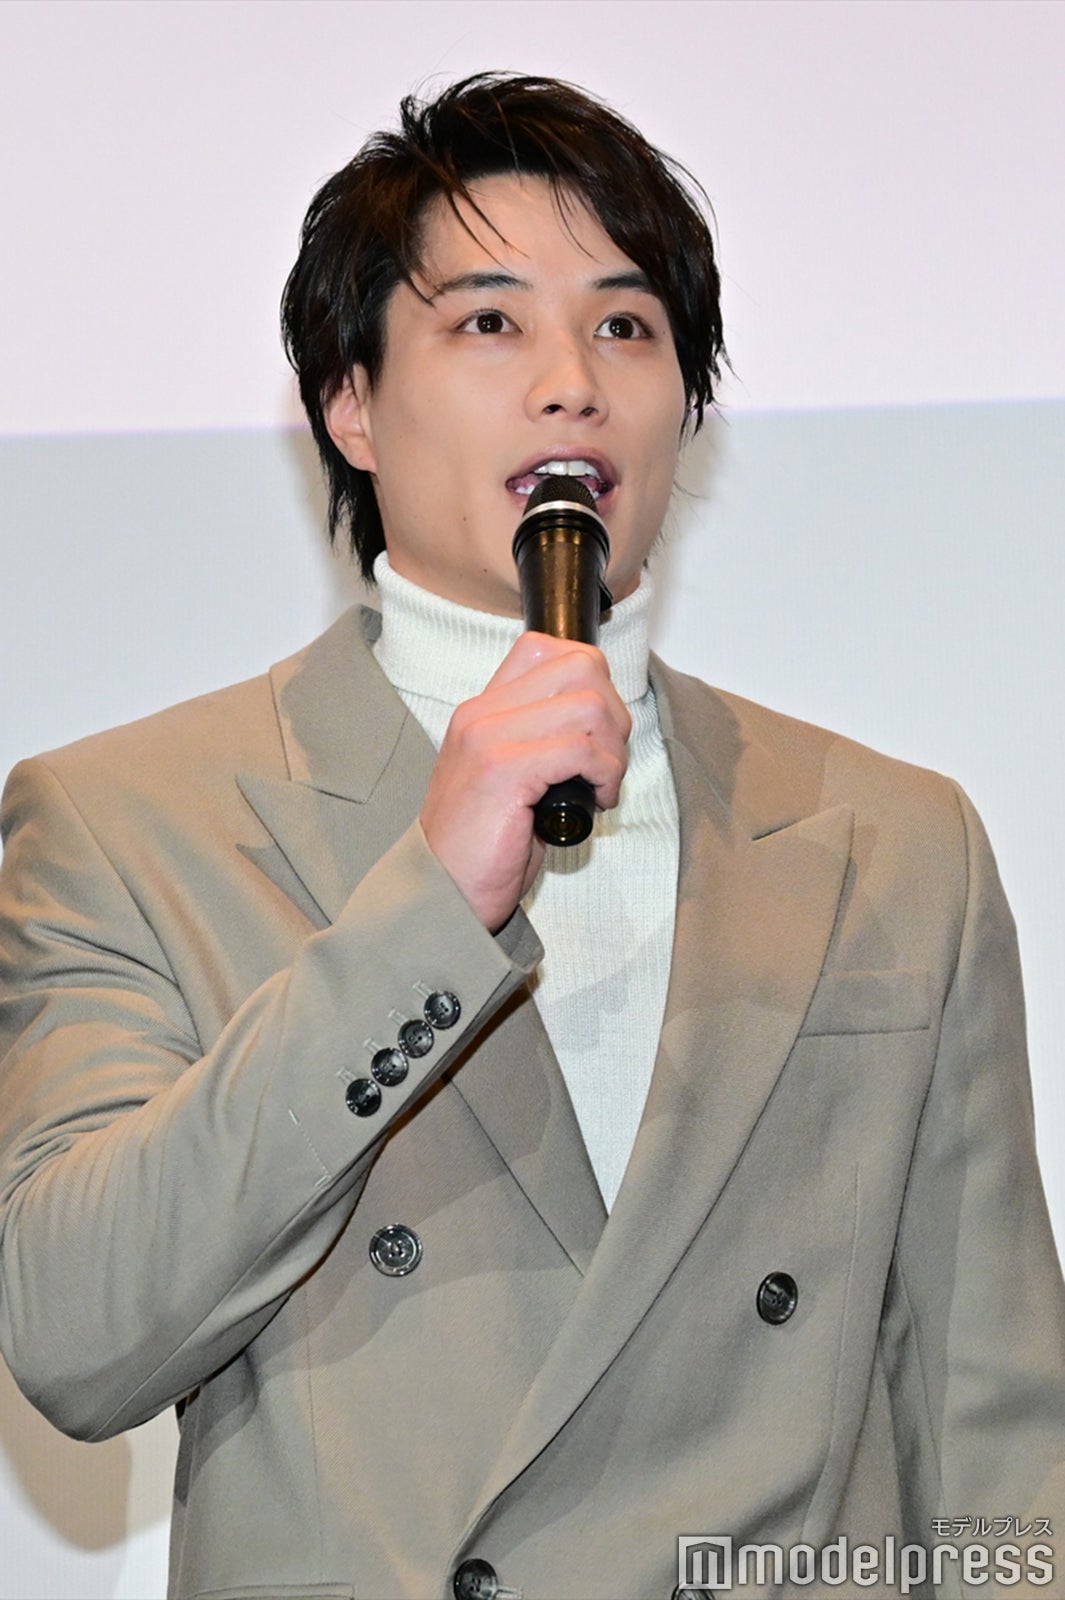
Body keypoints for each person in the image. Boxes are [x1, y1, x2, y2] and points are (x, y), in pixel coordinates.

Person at [0, 72, 1062, 1600]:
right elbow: (77, 1333)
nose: (573, 382)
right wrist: (430, 904)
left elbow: (997, 1437)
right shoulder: (131, 822)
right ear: (348, 403)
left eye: (626, 325)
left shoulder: (893, 844)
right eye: (489, 322)